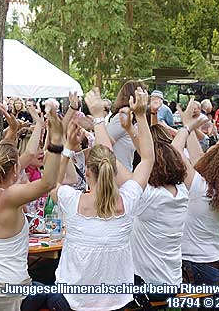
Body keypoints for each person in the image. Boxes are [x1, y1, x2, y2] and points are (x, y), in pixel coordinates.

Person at [47, 87, 155, 311]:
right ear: (113, 171)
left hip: (73, 302)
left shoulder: (72, 201)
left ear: (87, 172)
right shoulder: (129, 200)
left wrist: (67, 149)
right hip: (116, 303)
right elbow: (147, 159)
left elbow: (52, 184)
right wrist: (142, 116)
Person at [0, 107, 64, 311]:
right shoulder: (10, 196)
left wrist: (19, 129)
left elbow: (15, 156)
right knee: (55, 292)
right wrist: (57, 139)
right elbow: (48, 182)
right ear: (16, 168)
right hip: (7, 295)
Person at [173, 98, 219, 285]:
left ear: (211, 160)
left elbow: (175, 152)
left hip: (194, 263)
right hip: (218, 262)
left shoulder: (198, 185)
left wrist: (187, 126)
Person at [129, 124, 188, 301]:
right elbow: (149, 159)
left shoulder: (150, 196)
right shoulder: (182, 191)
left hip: (148, 286)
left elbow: (120, 172)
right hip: (172, 281)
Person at [107, 80, 141, 171]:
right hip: (116, 174)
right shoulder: (123, 116)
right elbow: (104, 143)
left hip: (123, 172)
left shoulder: (134, 117)